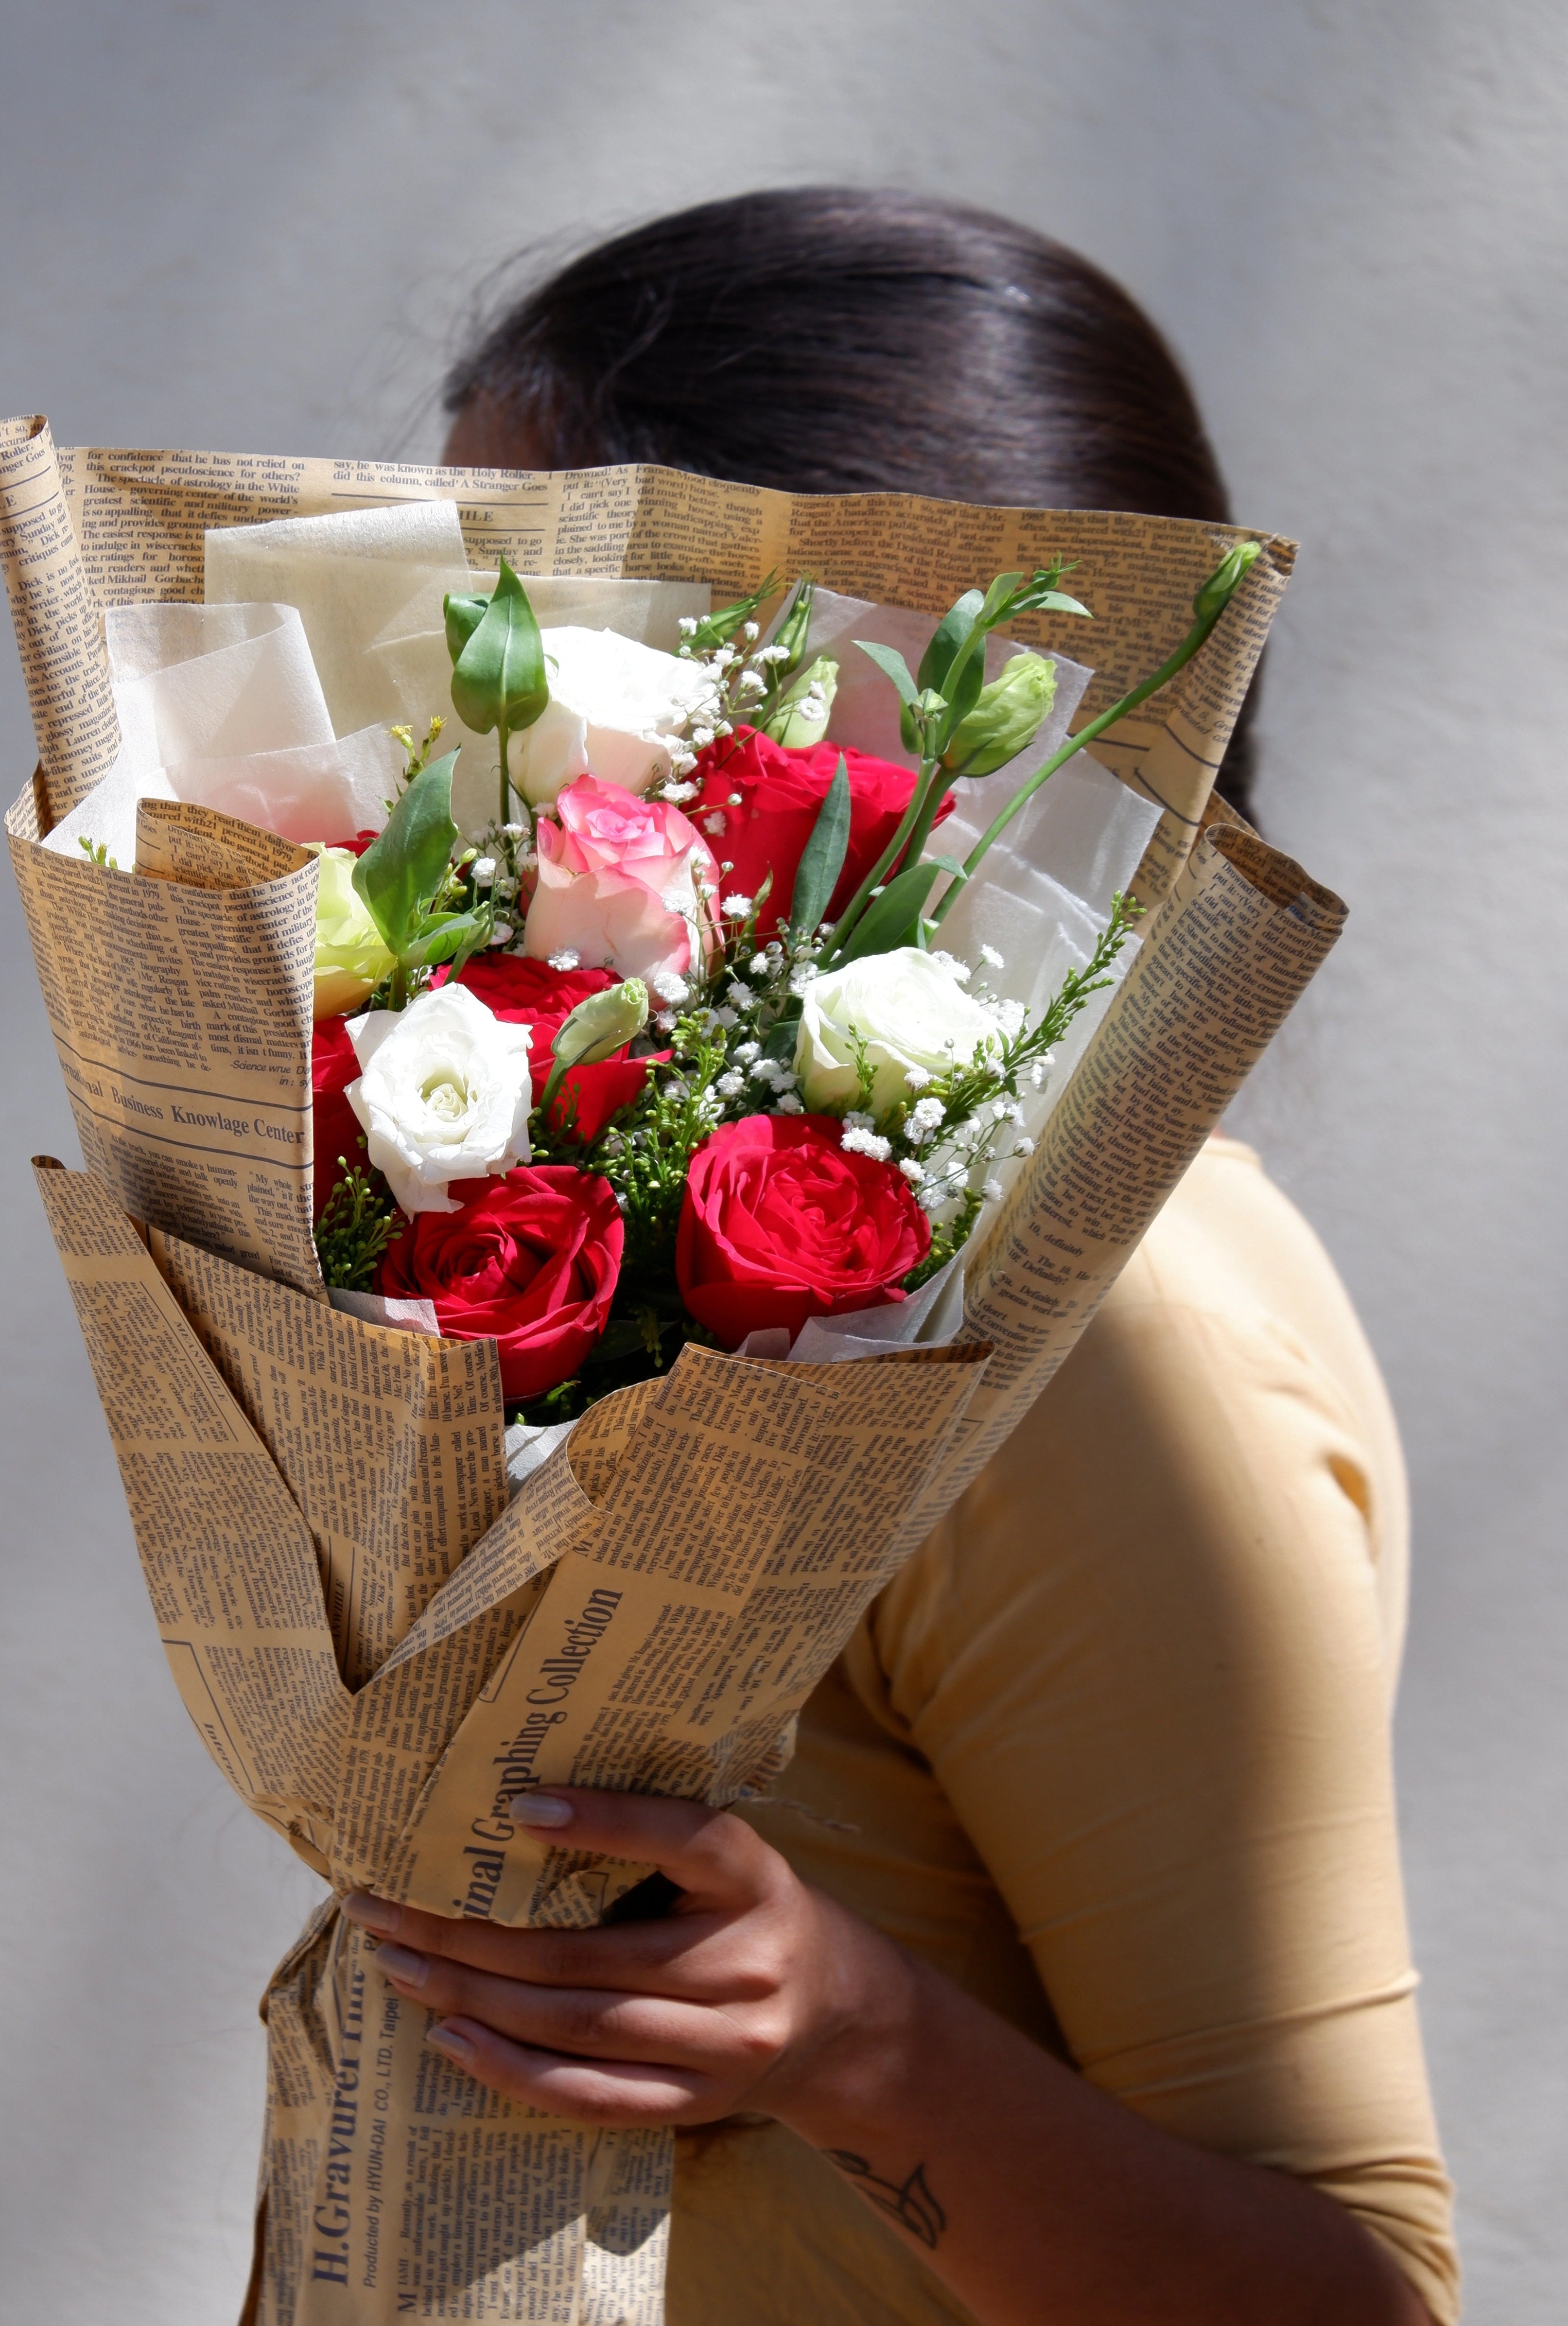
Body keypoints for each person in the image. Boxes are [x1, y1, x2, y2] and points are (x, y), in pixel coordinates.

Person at [342, 191, 1458, 2326]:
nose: (445, 717)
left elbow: (1358, 2294)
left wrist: (854, 2041)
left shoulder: (1108, 1330)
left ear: (870, 660)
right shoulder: (674, 1227)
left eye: (526, 622)